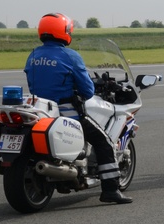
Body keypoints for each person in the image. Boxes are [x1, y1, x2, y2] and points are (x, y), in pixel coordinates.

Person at [24, 12, 132, 204]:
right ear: (64, 32)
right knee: (104, 143)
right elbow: (88, 90)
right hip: (66, 111)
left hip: (40, 110)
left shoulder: (33, 55)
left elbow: (34, 85)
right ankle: (110, 190)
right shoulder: (70, 56)